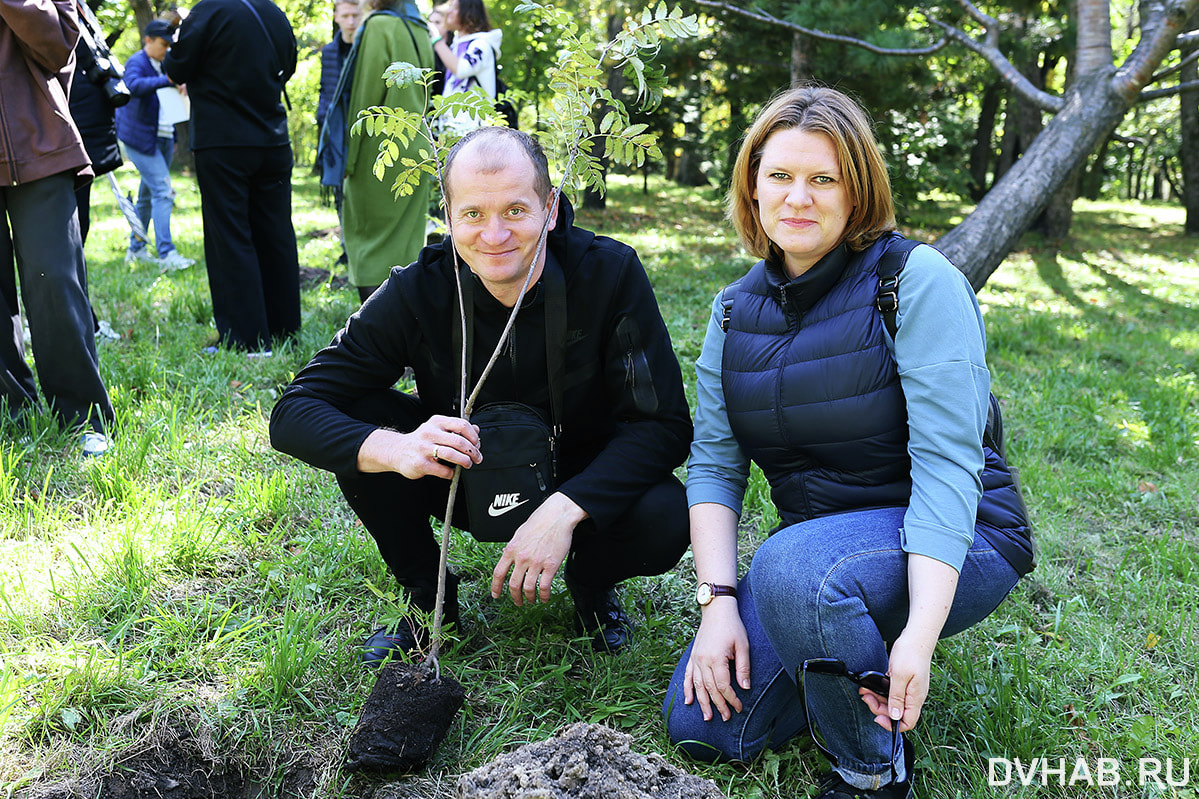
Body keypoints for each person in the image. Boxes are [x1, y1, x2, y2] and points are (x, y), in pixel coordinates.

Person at [661, 85, 1035, 798]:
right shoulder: (734, 310)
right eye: (779, 176)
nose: (797, 198)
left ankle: (870, 767)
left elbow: (947, 469)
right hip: (817, 555)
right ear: (752, 187)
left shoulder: (913, 281)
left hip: (962, 538)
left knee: (796, 570)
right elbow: (712, 464)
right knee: (701, 725)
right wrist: (717, 606)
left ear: (856, 190)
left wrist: (918, 637)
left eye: (822, 179)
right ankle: (834, 649)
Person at [270, 126, 692, 665]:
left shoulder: (607, 274)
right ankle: (428, 598)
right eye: (473, 214)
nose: (494, 235)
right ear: (448, 215)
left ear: (551, 207)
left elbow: (664, 426)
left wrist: (567, 509)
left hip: (575, 476)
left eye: (516, 210)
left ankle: (590, 582)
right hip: (458, 477)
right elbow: (293, 411)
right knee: (361, 421)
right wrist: (397, 449)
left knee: (664, 514)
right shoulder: (418, 287)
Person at [0, 0, 115, 455]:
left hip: (41, 143)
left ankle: (83, 416)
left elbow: (59, 47)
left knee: (55, 278)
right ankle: (13, 411)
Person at [164, 0, 300, 354]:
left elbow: (176, 67)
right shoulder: (273, 12)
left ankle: (248, 338)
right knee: (276, 232)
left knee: (230, 235)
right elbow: (290, 65)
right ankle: (284, 327)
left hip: (223, 141)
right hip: (272, 137)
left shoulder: (207, 11)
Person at [341, 0, 432, 302]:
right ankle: (404, 334)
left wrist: (347, 156)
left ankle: (374, 338)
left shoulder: (380, 25)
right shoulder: (421, 28)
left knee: (369, 244)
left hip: (380, 151)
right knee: (404, 247)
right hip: (418, 148)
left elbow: (365, 98)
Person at [115, 19, 194, 272]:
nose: (166, 50)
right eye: (163, 44)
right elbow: (134, 85)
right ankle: (167, 254)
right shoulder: (138, 61)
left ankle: (136, 250)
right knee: (164, 192)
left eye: (170, 46)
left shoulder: (163, 63)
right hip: (140, 139)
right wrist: (168, 80)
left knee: (147, 197)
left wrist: (177, 84)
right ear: (147, 40)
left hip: (163, 136)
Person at [429, 0, 500, 136]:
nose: (448, 12)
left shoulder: (481, 45)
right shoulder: (456, 45)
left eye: (454, 8)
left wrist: (436, 40)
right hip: (451, 130)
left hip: (474, 133)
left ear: (469, 12)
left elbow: (461, 69)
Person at [316, 0, 360, 136]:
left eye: (355, 15)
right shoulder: (329, 51)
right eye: (346, 16)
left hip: (360, 124)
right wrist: (322, 116)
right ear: (337, 17)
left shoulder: (367, 50)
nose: (351, 22)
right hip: (333, 127)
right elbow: (325, 88)